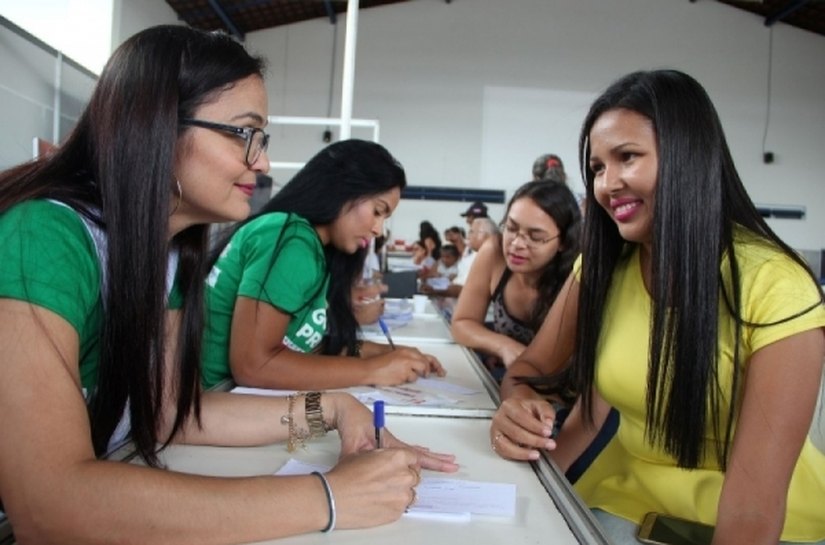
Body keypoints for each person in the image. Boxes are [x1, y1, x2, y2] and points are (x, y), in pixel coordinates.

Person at [0, 25, 457, 545]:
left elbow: (174, 412)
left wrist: (332, 408)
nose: (261, 163)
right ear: (157, 127)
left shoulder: (168, 253)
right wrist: (329, 499)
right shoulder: (40, 238)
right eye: (244, 134)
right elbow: (46, 506)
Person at [490, 70, 825, 545]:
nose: (608, 184)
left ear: (688, 156)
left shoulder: (775, 285)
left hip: (762, 524)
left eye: (627, 157)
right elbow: (530, 368)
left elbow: (752, 509)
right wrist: (518, 405)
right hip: (618, 506)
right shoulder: (603, 267)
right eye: (598, 167)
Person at [201, 140, 446, 391]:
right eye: (377, 211)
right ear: (343, 190)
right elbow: (254, 365)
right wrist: (374, 369)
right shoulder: (291, 240)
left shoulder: (312, 248)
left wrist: (384, 354)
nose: (377, 229)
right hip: (215, 399)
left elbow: (301, 347)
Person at [451, 180, 581, 378]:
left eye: (535, 237)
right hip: (511, 381)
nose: (517, 244)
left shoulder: (576, 275)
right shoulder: (494, 253)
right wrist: (502, 346)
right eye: (511, 228)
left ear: (563, 242)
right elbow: (462, 322)